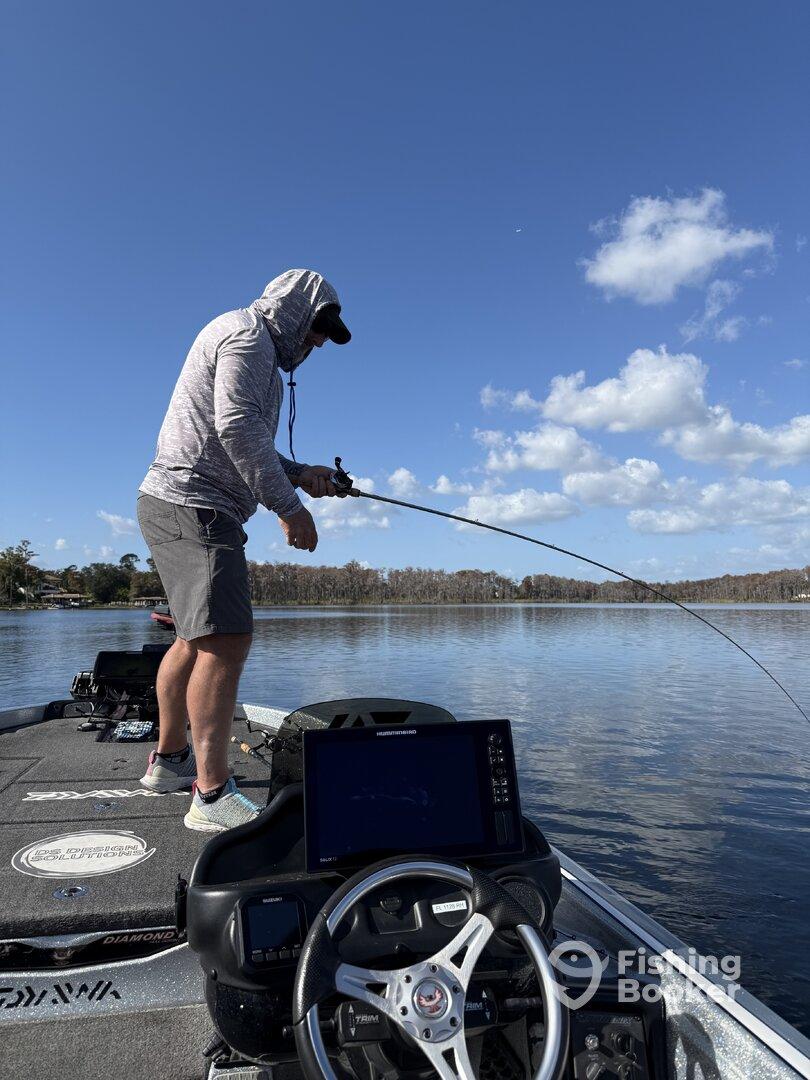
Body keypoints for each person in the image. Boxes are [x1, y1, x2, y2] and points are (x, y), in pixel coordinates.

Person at [136, 269, 351, 832]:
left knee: (194, 637)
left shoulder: (262, 359)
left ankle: (171, 761)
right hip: (194, 504)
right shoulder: (247, 336)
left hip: (189, 505)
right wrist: (289, 507)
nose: (319, 342)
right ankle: (210, 796)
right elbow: (235, 429)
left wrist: (302, 474)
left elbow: (246, 440)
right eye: (318, 329)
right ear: (294, 312)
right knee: (227, 639)